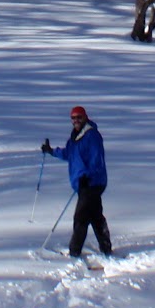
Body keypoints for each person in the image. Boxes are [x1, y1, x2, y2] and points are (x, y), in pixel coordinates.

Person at [41, 105, 112, 258]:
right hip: (83, 183)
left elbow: (96, 159)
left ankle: (74, 252)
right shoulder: (74, 137)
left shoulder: (91, 136)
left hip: (92, 183)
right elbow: (69, 154)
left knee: (80, 217)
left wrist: (88, 176)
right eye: (73, 118)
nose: (76, 120)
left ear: (85, 117)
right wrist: (51, 151)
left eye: (79, 117)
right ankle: (106, 248)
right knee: (95, 216)